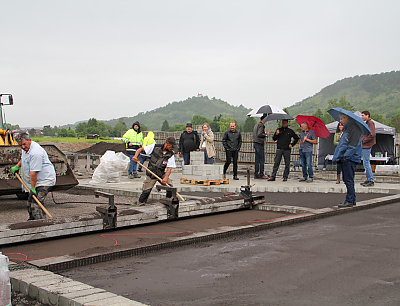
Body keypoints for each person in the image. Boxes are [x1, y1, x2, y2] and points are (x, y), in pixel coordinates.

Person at [11, 132, 56, 220]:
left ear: (30, 140)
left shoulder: (36, 153)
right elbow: (23, 158)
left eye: (24, 144)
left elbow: (33, 173)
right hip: (36, 181)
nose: (23, 147)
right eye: (20, 145)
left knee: (36, 204)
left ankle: (42, 224)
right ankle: (32, 222)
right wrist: (17, 166)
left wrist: (32, 188)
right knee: (29, 204)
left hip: (45, 180)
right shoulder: (26, 148)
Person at [133, 136, 177, 205]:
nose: (173, 148)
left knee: (170, 187)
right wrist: (135, 156)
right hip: (151, 173)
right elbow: (140, 150)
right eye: (172, 146)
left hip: (161, 173)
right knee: (146, 191)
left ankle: (168, 202)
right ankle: (140, 203)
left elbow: (169, 168)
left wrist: (165, 178)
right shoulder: (154, 147)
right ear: (167, 143)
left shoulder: (170, 154)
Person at [332, 114, 362, 207]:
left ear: (347, 118)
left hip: (349, 158)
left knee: (348, 179)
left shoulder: (354, 129)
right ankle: (351, 199)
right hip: (346, 157)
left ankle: (349, 199)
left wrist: (346, 156)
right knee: (347, 179)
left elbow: (353, 145)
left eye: (341, 119)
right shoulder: (347, 128)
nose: (340, 121)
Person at [361, 111, 376, 187]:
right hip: (364, 145)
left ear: (367, 115)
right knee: (365, 162)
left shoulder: (370, 123)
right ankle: (368, 179)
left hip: (367, 145)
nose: (362, 117)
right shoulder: (365, 123)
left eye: (363, 115)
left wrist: (364, 140)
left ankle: (371, 179)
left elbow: (372, 134)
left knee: (366, 163)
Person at [253, 115, 268, 179]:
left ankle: (256, 173)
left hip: (255, 143)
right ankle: (261, 173)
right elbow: (259, 134)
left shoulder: (256, 125)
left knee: (257, 160)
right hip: (259, 143)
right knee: (262, 159)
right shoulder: (261, 125)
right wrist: (265, 134)